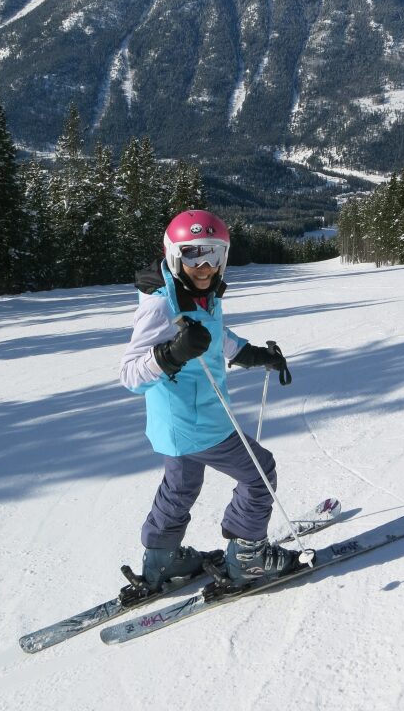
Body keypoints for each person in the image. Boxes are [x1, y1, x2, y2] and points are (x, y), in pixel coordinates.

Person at [119, 209, 296, 591]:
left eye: (213, 254)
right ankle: (248, 557)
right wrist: (170, 354)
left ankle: (162, 559)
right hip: (199, 423)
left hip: (175, 427)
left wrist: (255, 355)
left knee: (179, 488)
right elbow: (130, 375)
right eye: (192, 254)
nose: (203, 266)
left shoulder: (202, 295)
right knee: (260, 473)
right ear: (173, 255)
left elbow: (218, 337)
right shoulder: (161, 306)